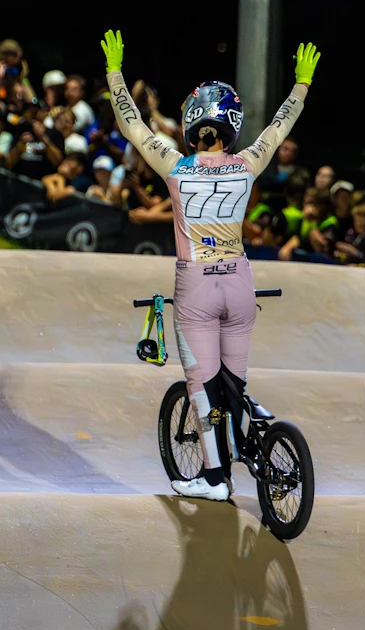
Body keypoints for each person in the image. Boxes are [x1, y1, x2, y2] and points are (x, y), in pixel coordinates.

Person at [101, 28, 317, 502]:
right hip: (239, 281)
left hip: (197, 285)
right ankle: (248, 435)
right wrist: (300, 83)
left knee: (202, 384)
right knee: (234, 381)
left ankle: (215, 479)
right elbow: (280, 126)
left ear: (190, 125)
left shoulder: (175, 166)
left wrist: (116, 74)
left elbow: (132, 125)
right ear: (230, 127)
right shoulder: (247, 164)